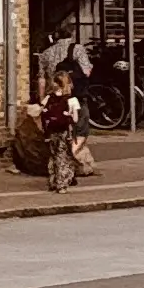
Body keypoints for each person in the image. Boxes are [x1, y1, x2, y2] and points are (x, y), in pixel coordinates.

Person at [38, 64, 91, 193]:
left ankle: (53, 181)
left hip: (51, 132)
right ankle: (62, 184)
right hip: (65, 132)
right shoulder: (72, 100)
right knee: (64, 157)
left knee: (53, 156)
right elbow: (76, 119)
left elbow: (41, 110)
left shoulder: (48, 98)